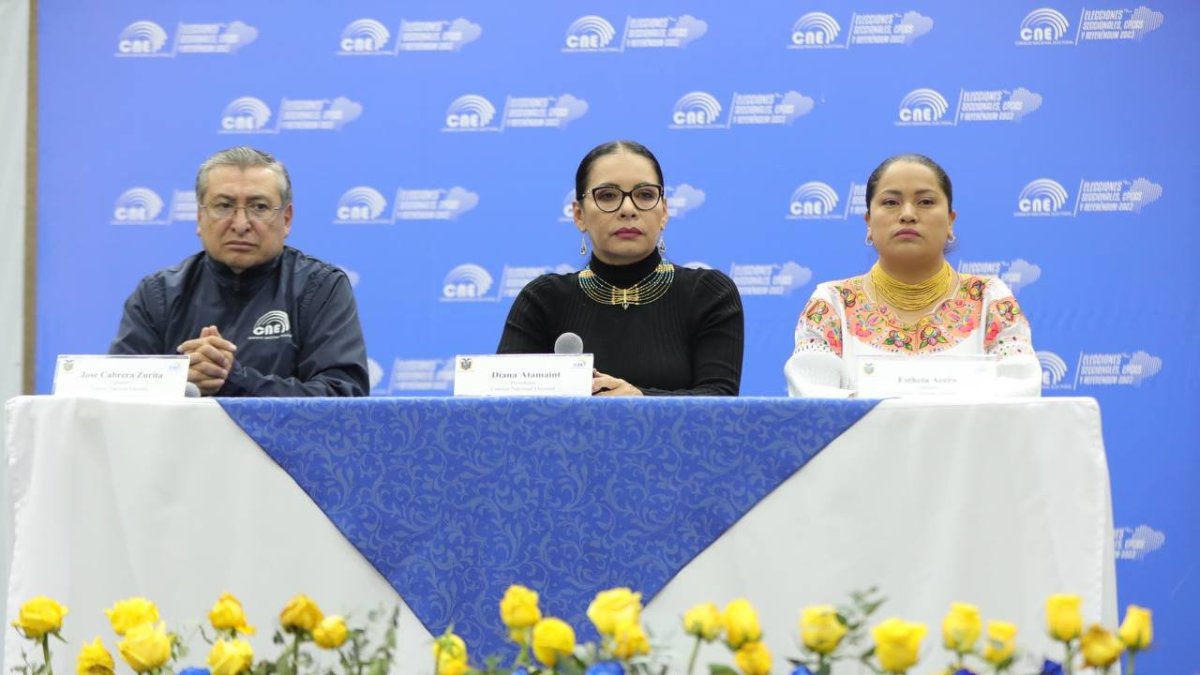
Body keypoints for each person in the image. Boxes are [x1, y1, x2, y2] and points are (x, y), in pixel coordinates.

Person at [109, 146, 369, 397]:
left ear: (286, 219)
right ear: (200, 218)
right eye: (223, 206)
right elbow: (115, 395)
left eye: (259, 207)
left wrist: (235, 380)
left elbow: (343, 397)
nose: (241, 224)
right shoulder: (158, 295)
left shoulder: (320, 288)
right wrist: (179, 379)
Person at [498, 140, 743, 396]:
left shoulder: (708, 294)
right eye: (607, 195)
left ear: (664, 212)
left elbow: (721, 403)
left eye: (645, 195)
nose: (628, 209)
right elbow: (504, 407)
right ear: (579, 215)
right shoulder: (543, 299)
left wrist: (638, 401)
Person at [784, 153, 1039, 397]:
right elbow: (813, 401)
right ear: (869, 223)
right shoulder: (832, 304)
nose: (907, 214)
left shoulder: (989, 299)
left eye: (926, 202)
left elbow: (1019, 395)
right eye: (890, 202)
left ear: (950, 221)